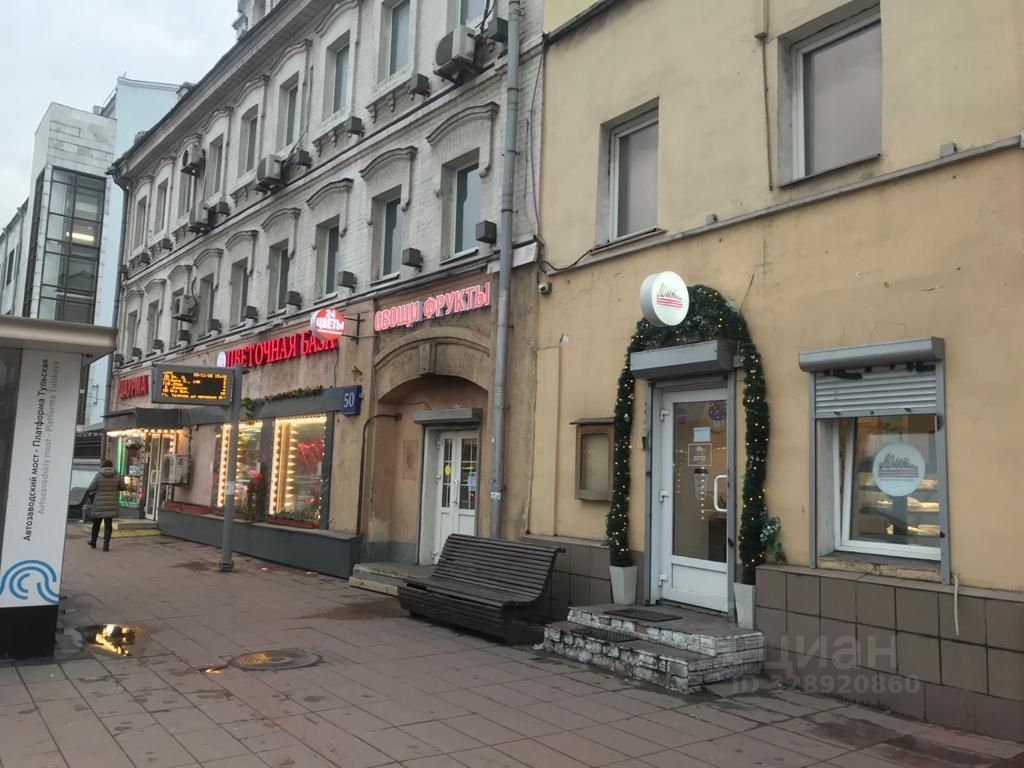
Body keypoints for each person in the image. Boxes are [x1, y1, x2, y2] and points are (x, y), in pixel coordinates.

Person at [86, 459, 124, 551]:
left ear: (103, 466)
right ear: (111, 466)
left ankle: (93, 542)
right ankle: (106, 544)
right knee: (108, 524)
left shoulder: (98, 475)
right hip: (111, 503)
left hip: (99, 503)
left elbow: (91, 487)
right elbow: (123, 487)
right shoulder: (117, 475)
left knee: (96, 524)